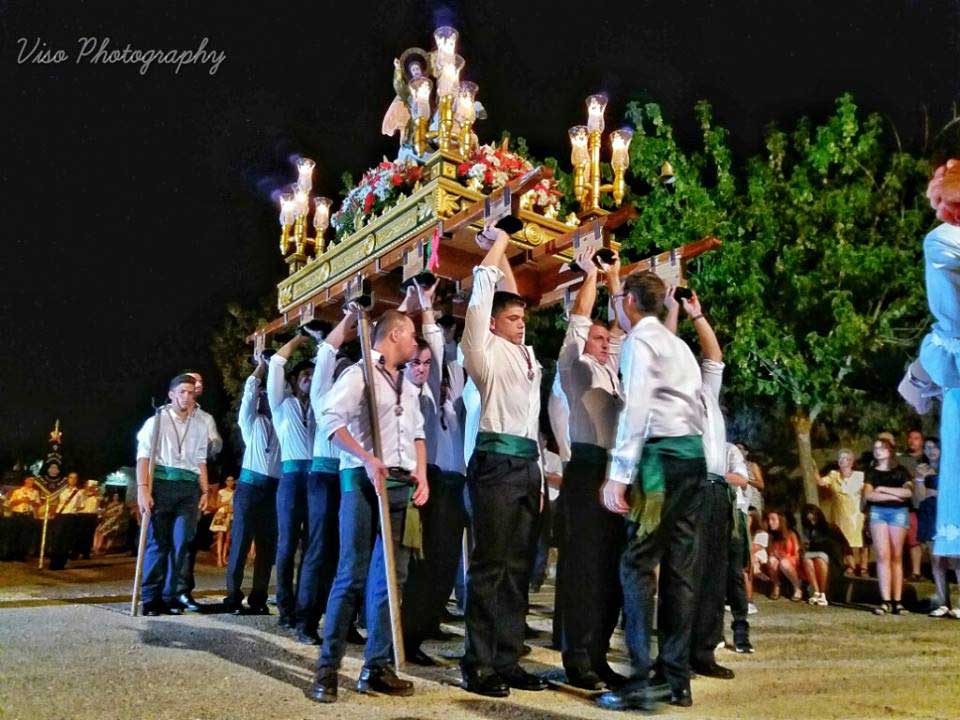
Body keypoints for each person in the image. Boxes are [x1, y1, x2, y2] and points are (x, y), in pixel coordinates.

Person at [597, 270, 706, 712]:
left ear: (630, 301)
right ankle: (675, 678)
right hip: (693, 456)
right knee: (681, 567)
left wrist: (619, 473)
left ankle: (641, 678)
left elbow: (637, 407)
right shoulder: (678, 345)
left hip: (660, 458)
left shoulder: (640, 341)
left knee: (637, 563)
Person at [309, 309, 429, 703]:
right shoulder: (359, 373)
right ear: (395, 335)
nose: (415, 342)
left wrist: (422, 473)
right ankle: (327, 669)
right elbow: (330, 421)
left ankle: (376, 666)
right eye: (411, 335)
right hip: (362, 483)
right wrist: (365, 458)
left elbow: (417, 434)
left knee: (391, 579)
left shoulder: (407, 384)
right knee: (352, 574)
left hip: (399, 486)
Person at [457, 224, 548, 698]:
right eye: (512, 319)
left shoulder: (526, 355)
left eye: (522, 319)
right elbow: (483, 301)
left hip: (527, 465)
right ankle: (478, 663)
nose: (520, 323)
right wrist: (499, 245)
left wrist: (541, 479)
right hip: (494, 461)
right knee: (490, 565)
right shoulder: (483, 352)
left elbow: (510, 298)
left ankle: (508, 659)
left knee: (518, 567)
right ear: (493, 325)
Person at [662, 288, 748, 679]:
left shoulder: (706, 393)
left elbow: (714, 356)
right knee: (684, 574)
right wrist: (671, 311)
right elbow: (666, 347)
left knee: (714, 573)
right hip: (689, 485)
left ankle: (703, 651)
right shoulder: (668, 392)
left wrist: (696, 314)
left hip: (716, 488)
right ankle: (674, 656)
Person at [552, 246, 626, 691]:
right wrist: (592, 275)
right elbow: (580, 321)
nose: (603, 343)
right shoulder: (575, 368)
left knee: (611, 571)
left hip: (614, 472)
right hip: (585, 468)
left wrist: (616, 278)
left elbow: (625, 333)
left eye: (605, 339)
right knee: (583, 569)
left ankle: (598, 655)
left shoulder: (613, 372)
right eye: (597, 339)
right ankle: (577, 658)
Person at [399, 282, 469, 667]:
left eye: (427, 364)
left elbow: (445, 355)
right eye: (416, 363)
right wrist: (421, 306)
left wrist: (433, 309)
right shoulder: (407, 394)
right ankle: (406, 637)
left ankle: (422, 628)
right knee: (422, 566)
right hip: (425, 482)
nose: (423, 368)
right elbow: (432, 345)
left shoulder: (442, 390)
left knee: (443, 565)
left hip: (448, 483)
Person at [298, 313, 357, 644]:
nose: (344, 372)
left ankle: (343, 621)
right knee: (319, 549)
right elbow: (326, 354)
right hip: (323, 475)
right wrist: (348, 317)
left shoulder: (358, 393)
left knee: (347, 552)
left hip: (348, 475)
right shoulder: (322, 392)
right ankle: (306, 621)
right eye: (340, 367)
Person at [136, 374, 210, 616]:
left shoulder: (200, 425)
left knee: (182, 543)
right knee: (158, 543)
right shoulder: (156, 420)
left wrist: (205, 490)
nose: (186, 397)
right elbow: (143, 456)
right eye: (182, 392)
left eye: (191, 392)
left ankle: (170, 597)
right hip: (162, 484)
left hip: (189, 489)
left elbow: (200, 459)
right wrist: (143, 489)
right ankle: (150, 598)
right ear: (171, 394)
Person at [267, 335, 317, 631]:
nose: (309, 378)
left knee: (312, 545)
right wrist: (301, 337)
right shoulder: (281, 404)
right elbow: (276, 363)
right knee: (287, 544)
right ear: (294, 380)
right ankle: (285, 606)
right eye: (304, 374)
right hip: (291, 477)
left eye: (313, 374)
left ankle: (305, 606)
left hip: (316, 479)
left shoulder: (320, 404)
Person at [225, 355, 281, 614]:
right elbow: (248, 393)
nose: (265, 400)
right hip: (249, 488)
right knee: (240, 542)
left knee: (267, 546)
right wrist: (262, 367)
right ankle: (232, 596)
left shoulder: (283, 422)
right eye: (263, 396)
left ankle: (259, 598)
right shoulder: (251, 422)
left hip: (273, 490)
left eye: (270, 396)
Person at [173, 370, 223, 611]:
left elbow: (215, 445)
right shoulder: (165, 414)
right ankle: (158, 591)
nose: (197, 383)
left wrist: (212, 445)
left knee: (187, 538)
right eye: (192, 380)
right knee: (162, 539)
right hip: (166, 480)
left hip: (192, 482)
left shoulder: (205, 419)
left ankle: (182, 590)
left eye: (200, 381)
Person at [863, 435, 913, 615]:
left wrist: (883, 489)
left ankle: (898, 601)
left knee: (896, 556)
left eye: (882, 448)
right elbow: (869, 495)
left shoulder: (901, 471)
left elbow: (908, 492)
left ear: (890, 450)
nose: (878, 451)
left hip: (898, 513)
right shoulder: (872, 472)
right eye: (875, 448)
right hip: (878, 513)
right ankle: (885, 600)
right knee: (883, 555)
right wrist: (894, 496)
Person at [817, 449, 867, 575]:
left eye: (845, 458)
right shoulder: (833, 475)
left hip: (857, 513)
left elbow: (866, 492)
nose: (841, 460)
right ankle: (851, 566)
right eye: (840, 458)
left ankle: (864, 567)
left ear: (851, 462)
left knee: (862, 541)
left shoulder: (860, 476)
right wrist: (813, 468)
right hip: (840, 514)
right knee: (844, 542)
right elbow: (821, 482)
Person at [800, 504, 848, 606]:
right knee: (808, 561)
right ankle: (816, 592)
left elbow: (843, 546)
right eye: (809, 521)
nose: (812, 523)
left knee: (819, 559)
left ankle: (823, 593)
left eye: (814, 520)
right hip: (817, 557)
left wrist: (848, 560)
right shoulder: (809, 531)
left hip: (833, 559)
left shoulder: (831, 528)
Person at [897, 429, 927, 582]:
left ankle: (919, 571)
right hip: (907, 505)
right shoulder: (901, 459)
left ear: (922, 441)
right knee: (908, 539)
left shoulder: (928, 458)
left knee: (920, 540)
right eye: (910, 437)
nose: (912, 441)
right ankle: (906, 572)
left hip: (927, 503)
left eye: (916, 438)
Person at [762, 510, 803, 601]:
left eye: (773, 519)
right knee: (771, 560)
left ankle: (797, 588)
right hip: (778, 562)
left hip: (791, 561)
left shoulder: (791, 534)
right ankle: (776, 584)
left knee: (784, 563)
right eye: (769, 520)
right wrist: (775, 555)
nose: (770, 522)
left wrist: (784, 557)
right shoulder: (771, 536)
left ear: (780, 520)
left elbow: (797, 554)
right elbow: (770, 553)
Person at [209, 476, 235, 567]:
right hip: (221, 514)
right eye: (228, 480)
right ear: (226, 482)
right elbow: (217, 505)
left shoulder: (235, 493)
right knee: (220, 537)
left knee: (228, 538)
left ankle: (224, 558)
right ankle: (219, 558)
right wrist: (227, 502)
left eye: (232, 480)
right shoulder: (221, 492)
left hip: (230, 515)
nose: (230, 482)